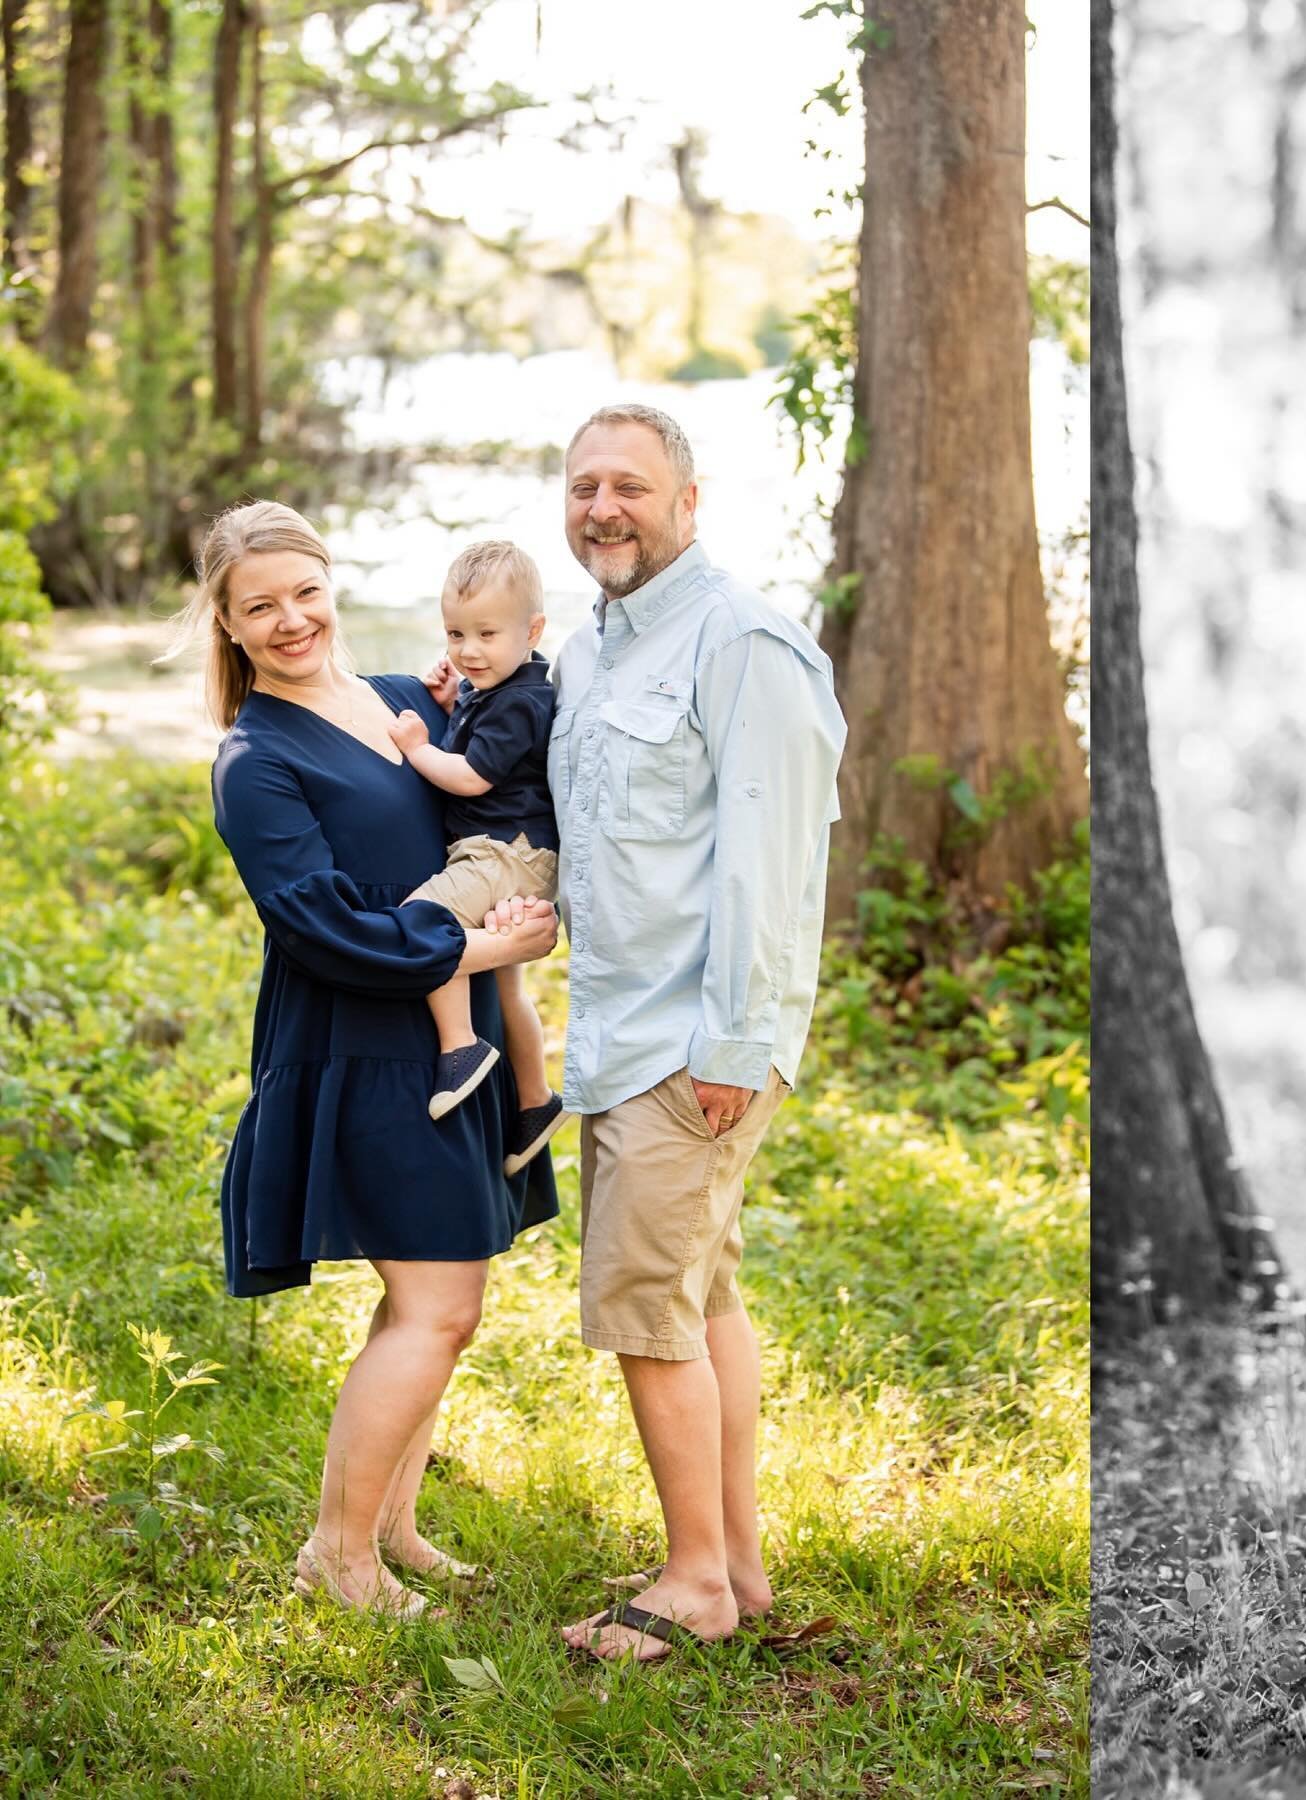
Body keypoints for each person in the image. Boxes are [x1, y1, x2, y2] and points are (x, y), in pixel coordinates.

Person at [192, 500, 559, 1618]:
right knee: (437, 1302)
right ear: (228, 620)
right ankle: (338, 1555)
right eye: (262, 605)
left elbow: (501, 751)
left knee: (440, 1296)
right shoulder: (254, 761)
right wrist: (472, 940)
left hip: (457, 1035)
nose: (294, 619)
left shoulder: (401, 699)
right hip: (366, 1042)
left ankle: (393, 1524)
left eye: (307, 591)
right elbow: (319, 922)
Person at [548, 403, 847, 1661]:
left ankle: (694, 1588)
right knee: (702, 1292)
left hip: (692, 1042)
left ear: (688, 499)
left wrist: (732, 1047)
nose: (602, 507)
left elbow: (771, 870)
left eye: (628, 484)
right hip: (622, 1028)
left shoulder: (745, 643)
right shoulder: (594, 648)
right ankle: (737, 1561)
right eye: (582, 487)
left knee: (642, 1305)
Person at [386, 540, 569, 1173]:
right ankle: (534, 1099)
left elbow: (471, 776)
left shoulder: (520, 700)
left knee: (419, 919)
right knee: (506, 982)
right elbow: (483, 734)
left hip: (502, 854)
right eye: (455, 633)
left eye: (487, 633)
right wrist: (450, 706)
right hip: (521, 855)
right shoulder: (504, 687)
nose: (468, 651)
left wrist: (417, 744)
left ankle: (459, 1047)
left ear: (533, 630)